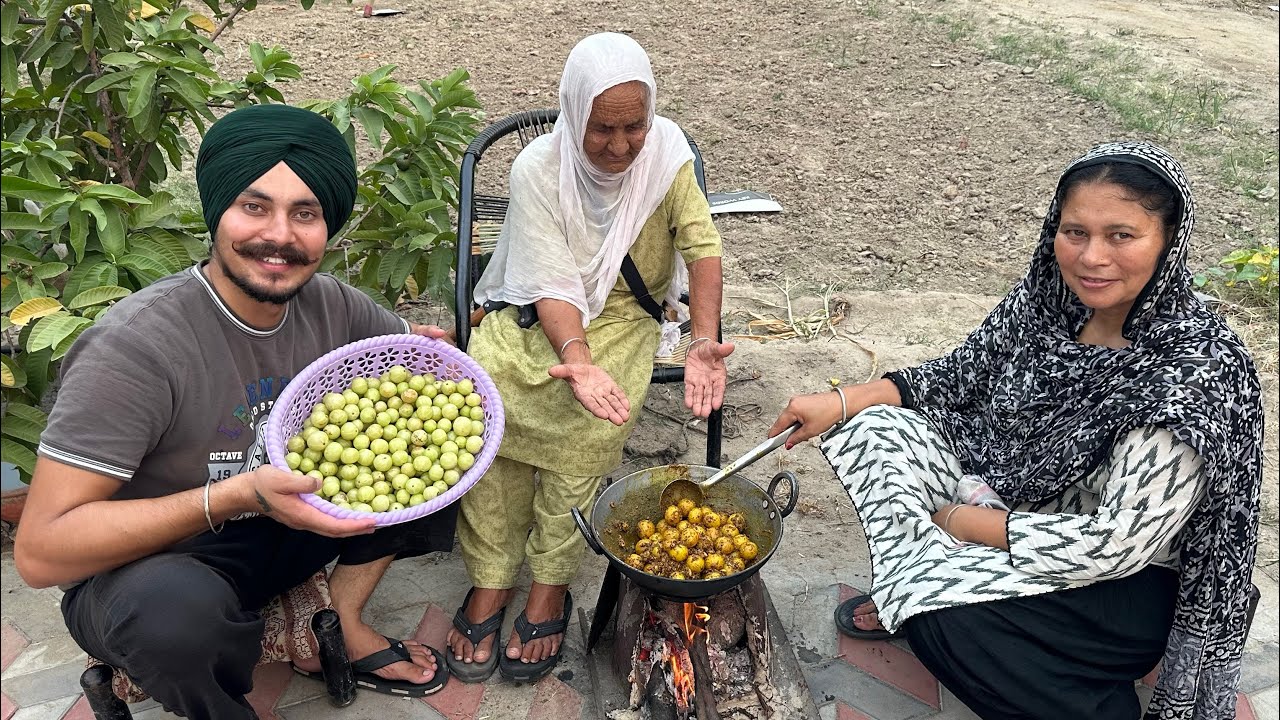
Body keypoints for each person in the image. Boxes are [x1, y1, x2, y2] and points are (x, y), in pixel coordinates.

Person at [769, 141, 1263, 720]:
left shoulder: (1188, 373)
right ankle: (932, 586)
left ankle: (1071, 684)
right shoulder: (1049, 302)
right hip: (1017, 505)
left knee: (946, 630)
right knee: (873, 429)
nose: (1091, 257)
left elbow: (1112, 545)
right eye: (1075, 231)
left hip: (1125, 583)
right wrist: (842, 399)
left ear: (1169, 243)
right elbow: (955, 376)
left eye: (1121, 236)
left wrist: (957, 523)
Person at [14, 104, 457, 718]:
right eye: (255, 207)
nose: (280, 235)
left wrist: (437, 354)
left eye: (306, 213)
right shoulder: (136, 348)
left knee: (438, 468)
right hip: (151, 566)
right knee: (175, 620)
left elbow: (418, 365)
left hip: (279, 525)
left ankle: (345, 622)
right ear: (216, 212)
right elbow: (40, 553)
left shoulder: (332, 306)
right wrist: (231, 497)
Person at [444, 33, 733, 683]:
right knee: (487, 405)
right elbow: (548, 282)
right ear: (573, 114)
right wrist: (574, 355)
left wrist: (702, 339)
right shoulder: (537, 170)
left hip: (626, 317)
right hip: (535, 306)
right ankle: (491, 579)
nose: (621, 145)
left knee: (590, 422)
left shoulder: (667, 154)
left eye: (636, 125)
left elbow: (701, 243)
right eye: (602, 128)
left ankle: (549, 582)